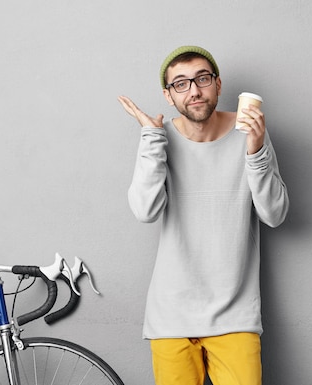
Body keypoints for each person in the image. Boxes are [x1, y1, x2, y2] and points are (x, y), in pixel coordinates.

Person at [118, 45, 289, 385]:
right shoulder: (159, 138)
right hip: (171, 317)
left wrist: (255, 152)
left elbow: (275, 214)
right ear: (169, 96)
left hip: (235, 317)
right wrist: (152, 139)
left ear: (218, 85)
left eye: (202, 79)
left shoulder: (249, 134)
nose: (194, 90)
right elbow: (145, 211)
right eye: (180, 84)